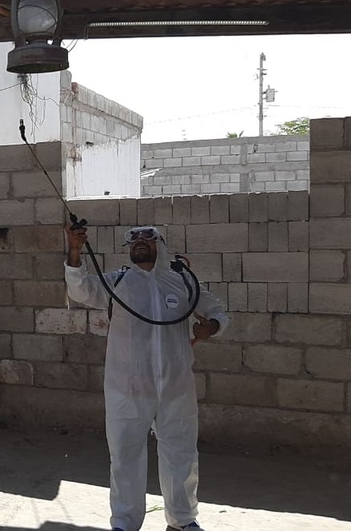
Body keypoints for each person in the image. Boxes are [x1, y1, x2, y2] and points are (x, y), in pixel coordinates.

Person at [64, 223, 229, 531]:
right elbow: (80, 289)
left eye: (147, 236)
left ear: (160, 244)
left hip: (176, 386)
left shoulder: (182, 282)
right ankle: (124, 523)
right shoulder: (117, 281)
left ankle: (182, 520)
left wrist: (212, 327)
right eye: (134, 238)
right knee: (125, 457)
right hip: (126, 388)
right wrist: (75, 250)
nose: (139, 240)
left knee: (181, 454)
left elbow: (217, 310)